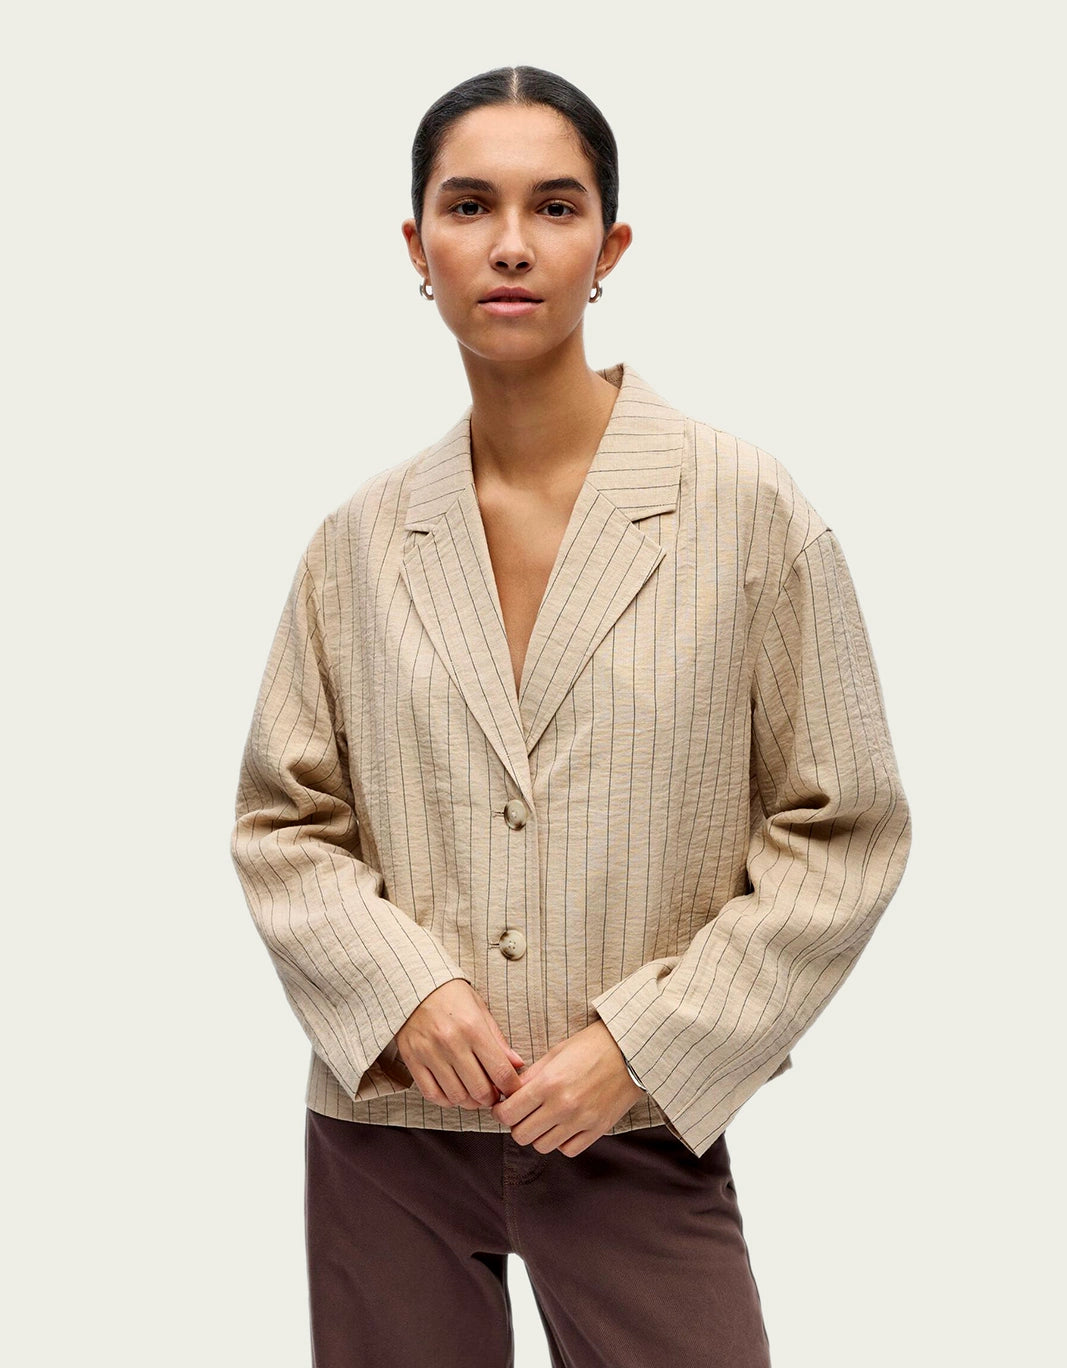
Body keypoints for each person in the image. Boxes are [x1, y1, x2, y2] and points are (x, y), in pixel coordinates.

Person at [230, 64, 912, 1368]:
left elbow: (844, 826)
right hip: (389, 1136)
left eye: (553, 207)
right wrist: (401, 992)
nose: (509, 245)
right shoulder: (356, 544)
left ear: (610, 246)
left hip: (634, 1132)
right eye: (468, 206)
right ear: (415, 246)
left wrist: (645, 1047)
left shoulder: (745, 511)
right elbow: (283, 821)